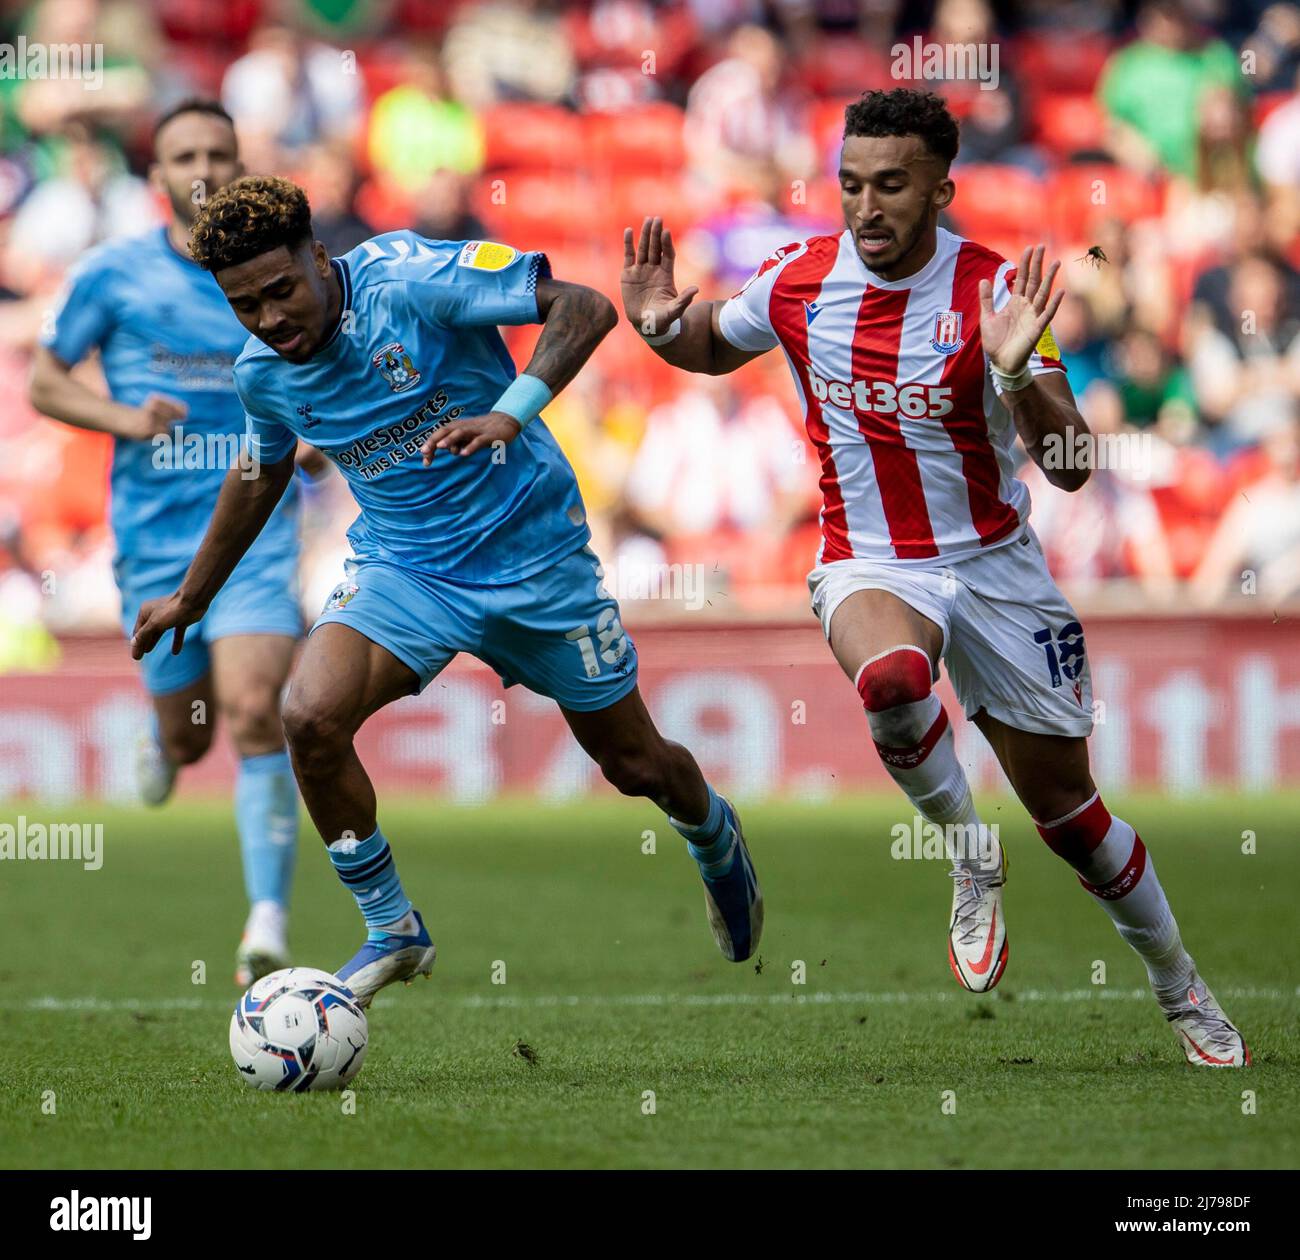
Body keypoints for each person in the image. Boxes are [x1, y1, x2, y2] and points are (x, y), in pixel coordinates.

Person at [619, 87, 1249, 1068]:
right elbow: (710, 343)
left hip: (995, 571)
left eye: (891, 187)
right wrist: (660, 323)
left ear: (942, 192)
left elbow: (1074, 465)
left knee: (1075, 821)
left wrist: (1011, 376)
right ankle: (966, 850)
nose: (865, 208)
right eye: (850, 185)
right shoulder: (796, 282)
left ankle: (1181, 990)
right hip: (868, 561)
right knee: (893, 682)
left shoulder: (998, 298)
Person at [130, 175, 763, 1008]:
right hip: (406, 572)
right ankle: (392, 929)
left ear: (320, 258)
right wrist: (193, 596)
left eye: (282, 291)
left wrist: (511, 412)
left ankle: (713, 836)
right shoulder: (264, 375)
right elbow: (260, 470)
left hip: (536, 563)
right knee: (308, 718)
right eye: (247, 307)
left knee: (635, 763)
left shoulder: (410, 278)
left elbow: (584, 308)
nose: (271, 320)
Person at [29, 101, 305, 986]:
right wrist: (123, 418)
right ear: (156, 177)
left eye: (220, 152)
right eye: (184, 152)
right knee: (189, 739)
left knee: (260, 705)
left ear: (241, 165)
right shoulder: (112, 275)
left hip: (257, 526)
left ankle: (265, 920)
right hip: (156, 542)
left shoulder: (279, 269)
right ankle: (167, 744)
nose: (203, 167)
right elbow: (43, 379)